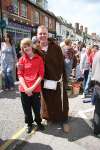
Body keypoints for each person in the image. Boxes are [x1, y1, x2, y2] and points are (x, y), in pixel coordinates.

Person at [37, 25, 69, 133]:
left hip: (57, 80)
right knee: (46, 101)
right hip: (44, 82)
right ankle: (48, 117)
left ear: (48, 34)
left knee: (61, 101)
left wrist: (64, 80)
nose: (42, 35)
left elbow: (62, 65)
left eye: (44, 33)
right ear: (37, 35)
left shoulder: (55, 47)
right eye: (40, 33)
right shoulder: (36, 49)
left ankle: (64, 120)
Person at [17, 38, 44, 134]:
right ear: (23, 49)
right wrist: (26, 88)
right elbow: (20, 75)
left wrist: (32, 88)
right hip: (24, 89)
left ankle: (38, 122)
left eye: (28, 45)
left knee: (37, 108)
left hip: (35, 89)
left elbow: (41, 75)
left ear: (31, 46)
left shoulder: (39, 59)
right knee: (27, 109)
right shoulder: (21, 60)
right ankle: (29, 124)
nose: (26, 48)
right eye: (24, 47)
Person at [91, 49, 100, 137]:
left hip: (98, 84)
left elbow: (93, 68)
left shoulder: (98, 53)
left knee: (98, 109)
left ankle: (96, 130)